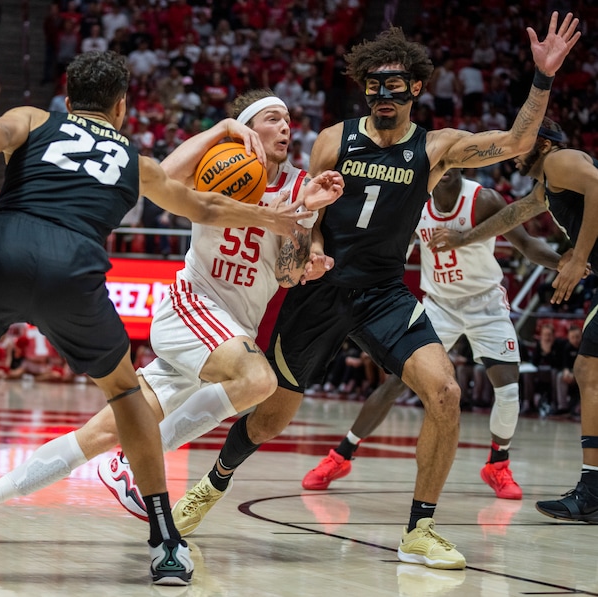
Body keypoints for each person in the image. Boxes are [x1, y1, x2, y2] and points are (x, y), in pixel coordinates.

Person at [171, 14, 579, 571]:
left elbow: (515, 142)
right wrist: (309, 247)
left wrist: (542, 77)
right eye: (373, 84)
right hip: (324, 291)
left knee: (445, 393)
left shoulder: (436, 148)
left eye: (394, 84)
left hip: (386, 293)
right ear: (364, 86)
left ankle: (420, 529)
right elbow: (309, 214)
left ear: (415, 87)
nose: (382, 94)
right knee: (269, 418)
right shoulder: (336, 139)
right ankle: (212, 485)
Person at [0, 52, 313, 586]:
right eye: (271, 118)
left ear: (69, 100)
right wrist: (232, 150)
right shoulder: (169, 160)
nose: (283, 128)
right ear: (122, 107)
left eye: (288, 121)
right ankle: (153, 514)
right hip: (168, 300)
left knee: (101, 433)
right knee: (223, 384)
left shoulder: (305, 187)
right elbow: (189, 196)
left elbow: (289, 274)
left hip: (18, 260)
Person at [301, 168, 563, 504]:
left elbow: (526, 245)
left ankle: (498, 464)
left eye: (456, 161)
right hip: (440, 305)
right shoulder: (416, 202)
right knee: (396, 380)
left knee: (509, 389)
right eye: (444, 161)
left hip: (485, 304)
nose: (448, 167)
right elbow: (390, 245)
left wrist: (565, 262)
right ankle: (341, 455)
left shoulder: (483, 200)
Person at [430, 115, 598, 523]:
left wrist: (577, 257)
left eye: (521, 140)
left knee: (588, 371)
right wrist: (464, 237)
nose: (512, 147)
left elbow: (597, 187)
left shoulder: (561, 161)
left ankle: (593, 489)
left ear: (540, 144)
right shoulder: (546, 185)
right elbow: (512, 217)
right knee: (589, 371)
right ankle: (593, 488)